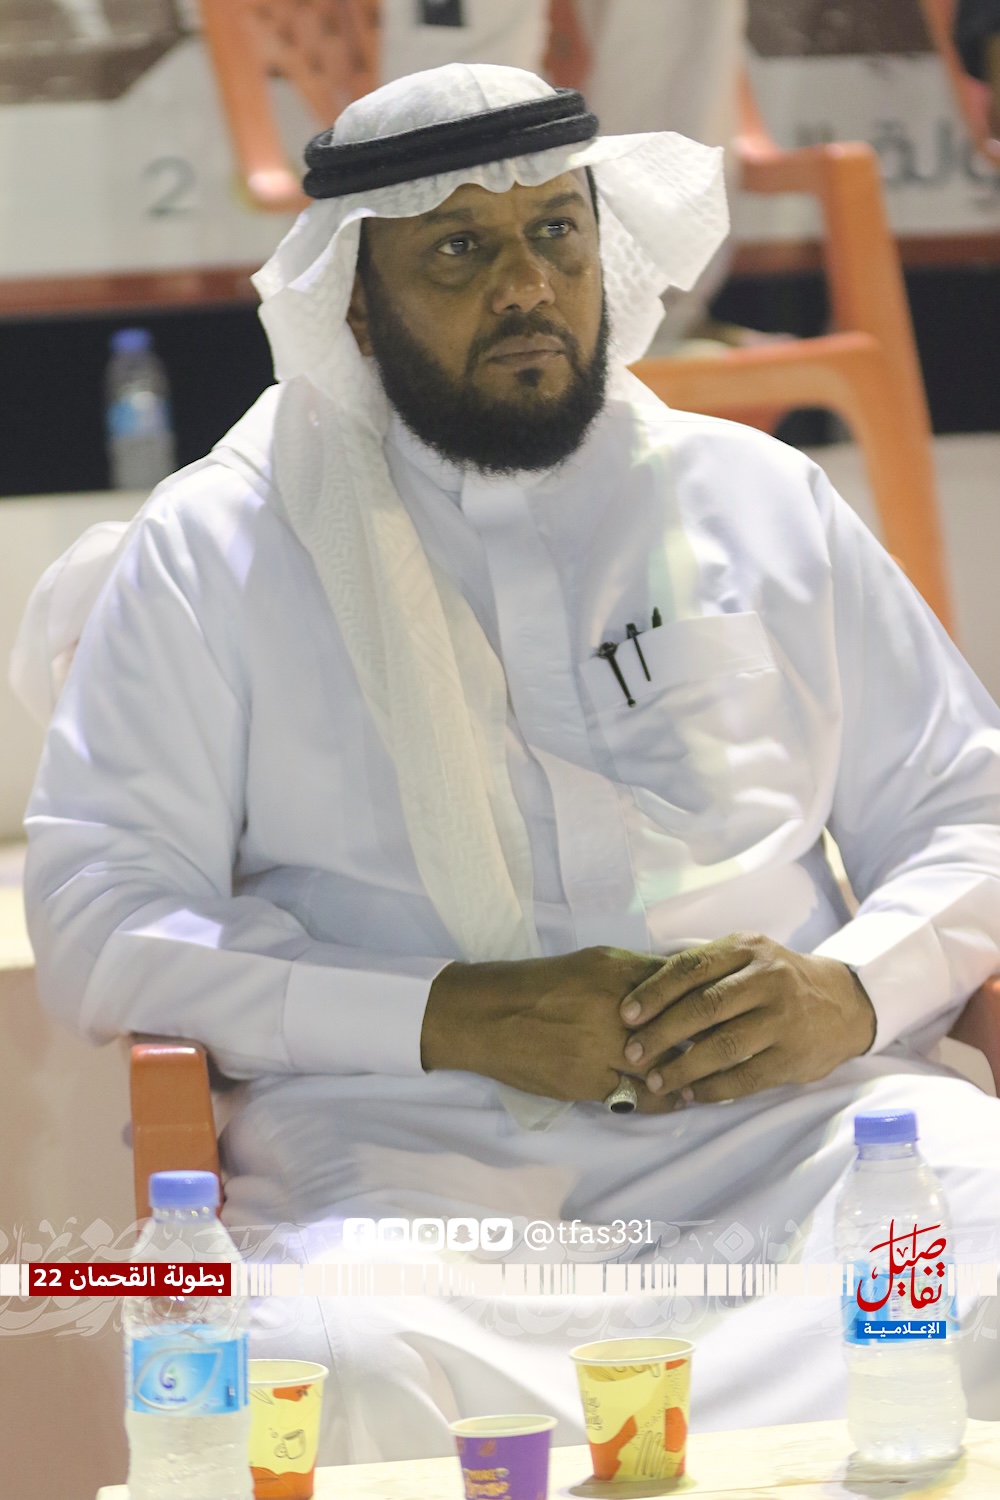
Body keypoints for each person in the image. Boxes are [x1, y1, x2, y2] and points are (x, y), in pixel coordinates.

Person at [20, 64, 1000, 1462]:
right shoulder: (217, 552)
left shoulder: (754, 498)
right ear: (356, 303)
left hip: (796, 1133)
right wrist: (446, 1016)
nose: (528, 285)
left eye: (556, 232)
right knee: (325, 1358)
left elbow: (970, 811)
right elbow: (103, 913)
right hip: (409, 1166)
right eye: (460, 250)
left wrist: (850, 992)